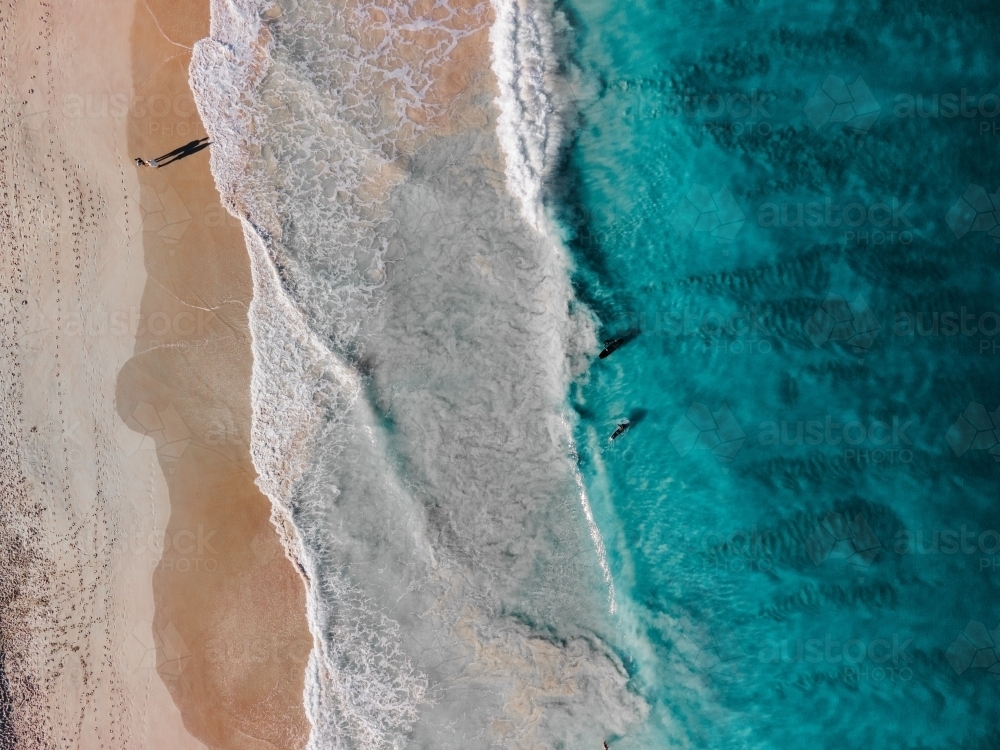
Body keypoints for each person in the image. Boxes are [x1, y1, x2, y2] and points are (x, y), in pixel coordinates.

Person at [135, 137, 211, 168]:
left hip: (180, 155)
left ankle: (163, 159)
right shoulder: (148, 162)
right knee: (167, 156)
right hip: (153, 160)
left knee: (171, 158)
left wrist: (159, 166)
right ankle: (165, 157)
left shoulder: (150, 164)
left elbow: (154, 164)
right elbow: (149, 162)